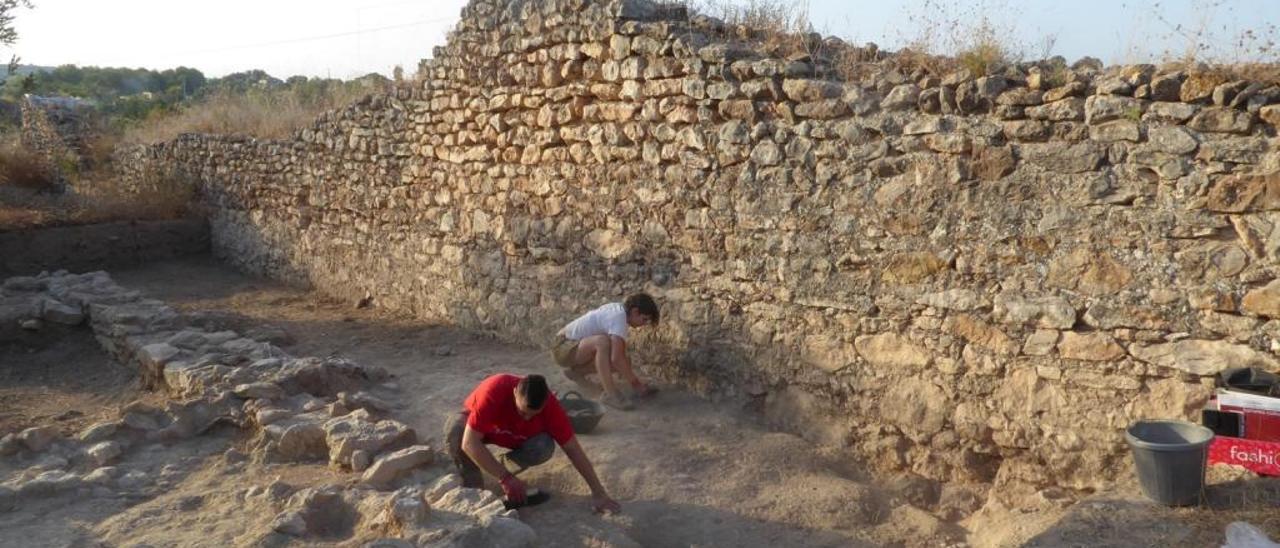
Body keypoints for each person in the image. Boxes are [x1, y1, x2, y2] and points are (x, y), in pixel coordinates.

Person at [444, 373, 621, 514]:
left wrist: (599, 493)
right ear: (514, 392)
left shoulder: (552, 408)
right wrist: (506, 479)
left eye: (534, 414)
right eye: (523, 412)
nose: (527, 417)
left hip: (516, 438)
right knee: (455, 431)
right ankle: (474, 487)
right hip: (483, 431)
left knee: (543, 446)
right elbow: (469, 442)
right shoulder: (495, 389)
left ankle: (499, 467)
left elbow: (573, 449)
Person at [551, 293, 660, 410]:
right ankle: (610, 394)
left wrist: (636, 383)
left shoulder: (620, 311)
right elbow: (616, 358)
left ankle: (577, 372)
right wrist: (637, 384)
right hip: (562, 347)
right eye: (644, 319)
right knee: (602, 342)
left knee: (625, 361)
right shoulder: (619, 317)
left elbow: (619, 359)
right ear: (635, 312)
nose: (643, 324)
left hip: (576, 349)